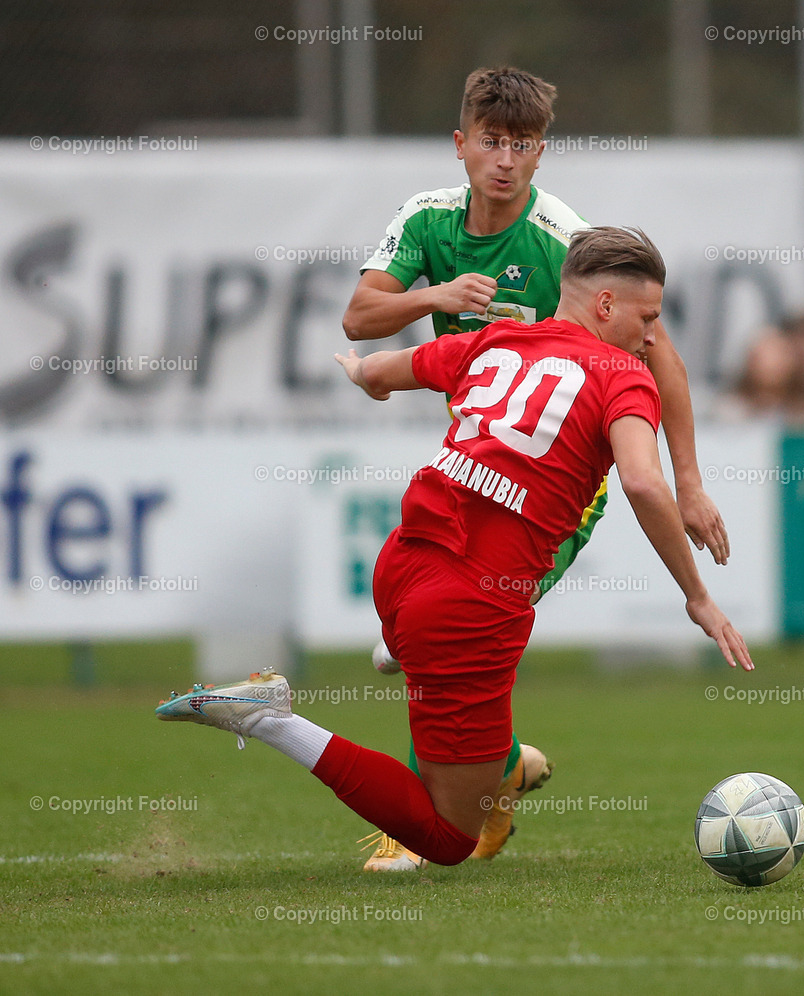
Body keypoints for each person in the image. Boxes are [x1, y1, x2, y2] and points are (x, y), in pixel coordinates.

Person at [157, 227, 752, 872]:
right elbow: (641, 481)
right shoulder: (624, 374)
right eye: (649, 318)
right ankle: (270, 719)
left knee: (437, 678)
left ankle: (423, 671)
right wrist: (697, 596)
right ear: (605, 305)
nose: (652, 337)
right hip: (472, 605)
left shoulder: (497, 338)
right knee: (446, 838)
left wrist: (361, 374)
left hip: (401, 564)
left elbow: (382, 369)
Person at [343, 67, 729, 868]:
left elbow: (659, 356)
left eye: (522, 146)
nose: (505, 160)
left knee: (460, 630)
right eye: (492, 142)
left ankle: (422, 822)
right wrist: (437, 295)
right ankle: (504, 769)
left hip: (559, 485)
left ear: (541, 153)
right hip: (477, 461)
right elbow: (360, 319)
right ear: (462, 145)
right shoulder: (427, 219)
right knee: (435, 638)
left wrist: (688, 482)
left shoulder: (563, 241)